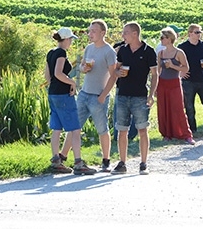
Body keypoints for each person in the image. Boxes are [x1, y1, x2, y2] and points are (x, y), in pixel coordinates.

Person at [59, 20, 117, 172]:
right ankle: (62, 157)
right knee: (74, 126)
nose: (90, 34)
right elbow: (82, 65)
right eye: (89, 31)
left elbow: (113, 76)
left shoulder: (109, 52)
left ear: (102, 33)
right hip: (84, 94)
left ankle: (106, 160)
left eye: (93, 31)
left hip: (99, 96)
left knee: (102, 129)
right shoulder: (89, 48)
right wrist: (83, 68)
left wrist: (104, 95)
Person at [106, 22, 158, 175]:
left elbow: (155, 74)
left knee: (142, 129)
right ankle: (122, 163)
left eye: (126, 33)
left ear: (135, 34)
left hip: (140, 96)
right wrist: (118, 73)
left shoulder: (149, 51)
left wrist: (151, 95)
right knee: (122, 130)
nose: (123, 35)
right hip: (122, 94)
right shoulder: (122, 50)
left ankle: (143, 163)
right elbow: (115, 70)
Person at [45, 27, 97, 175]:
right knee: (75, 129)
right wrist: (72, 83)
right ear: (66, 39)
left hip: (53, 94)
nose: (71, 42)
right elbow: (58, 73)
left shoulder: (51, 53)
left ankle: (56, 160)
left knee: (56, 128)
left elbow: (48, 75)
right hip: (63, 95)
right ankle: (78, 162)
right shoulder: (61, 53)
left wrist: (54, 86)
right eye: (71, 40)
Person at [156, 27, 194, 145]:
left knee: (178, 109)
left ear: (169, 38)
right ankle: (167, 134)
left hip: (174, 83)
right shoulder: (161, 53)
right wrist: (155, 86)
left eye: (162, 37)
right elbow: (157, 71)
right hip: (162, 83)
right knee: (163, 109)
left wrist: (172, 66)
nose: (161, 40)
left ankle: (186, 135)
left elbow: (186, 68)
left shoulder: (179, 53)